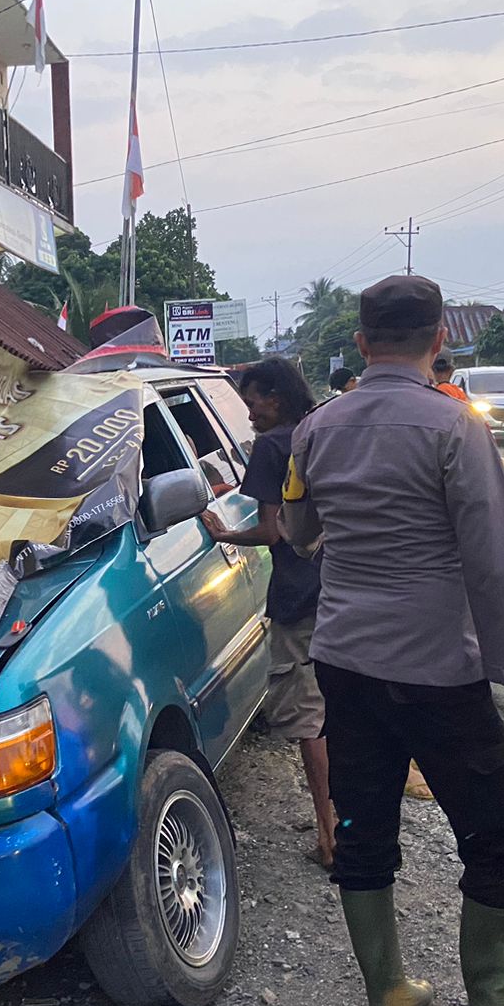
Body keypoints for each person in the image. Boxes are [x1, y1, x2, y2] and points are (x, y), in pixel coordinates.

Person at [281, 274, 504, 1006]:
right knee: (497, 833)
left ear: (359, 342)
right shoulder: (454, 427)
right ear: (439, 339)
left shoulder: (318, 426)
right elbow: (494, 558)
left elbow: (301, 528)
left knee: (363, 825)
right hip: (437, 667)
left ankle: (387, 997)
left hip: (345, 660)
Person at [200, 359, 335, 868]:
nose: (249, 412)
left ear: (276, 398)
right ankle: (351, 822)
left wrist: (224, 534)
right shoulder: (318, 430)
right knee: (344, 711)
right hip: (342, 589)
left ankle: (330, 837)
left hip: (298, 596)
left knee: (310, 721)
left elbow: (272, 531)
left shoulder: (273, 446)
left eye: (253, 402)